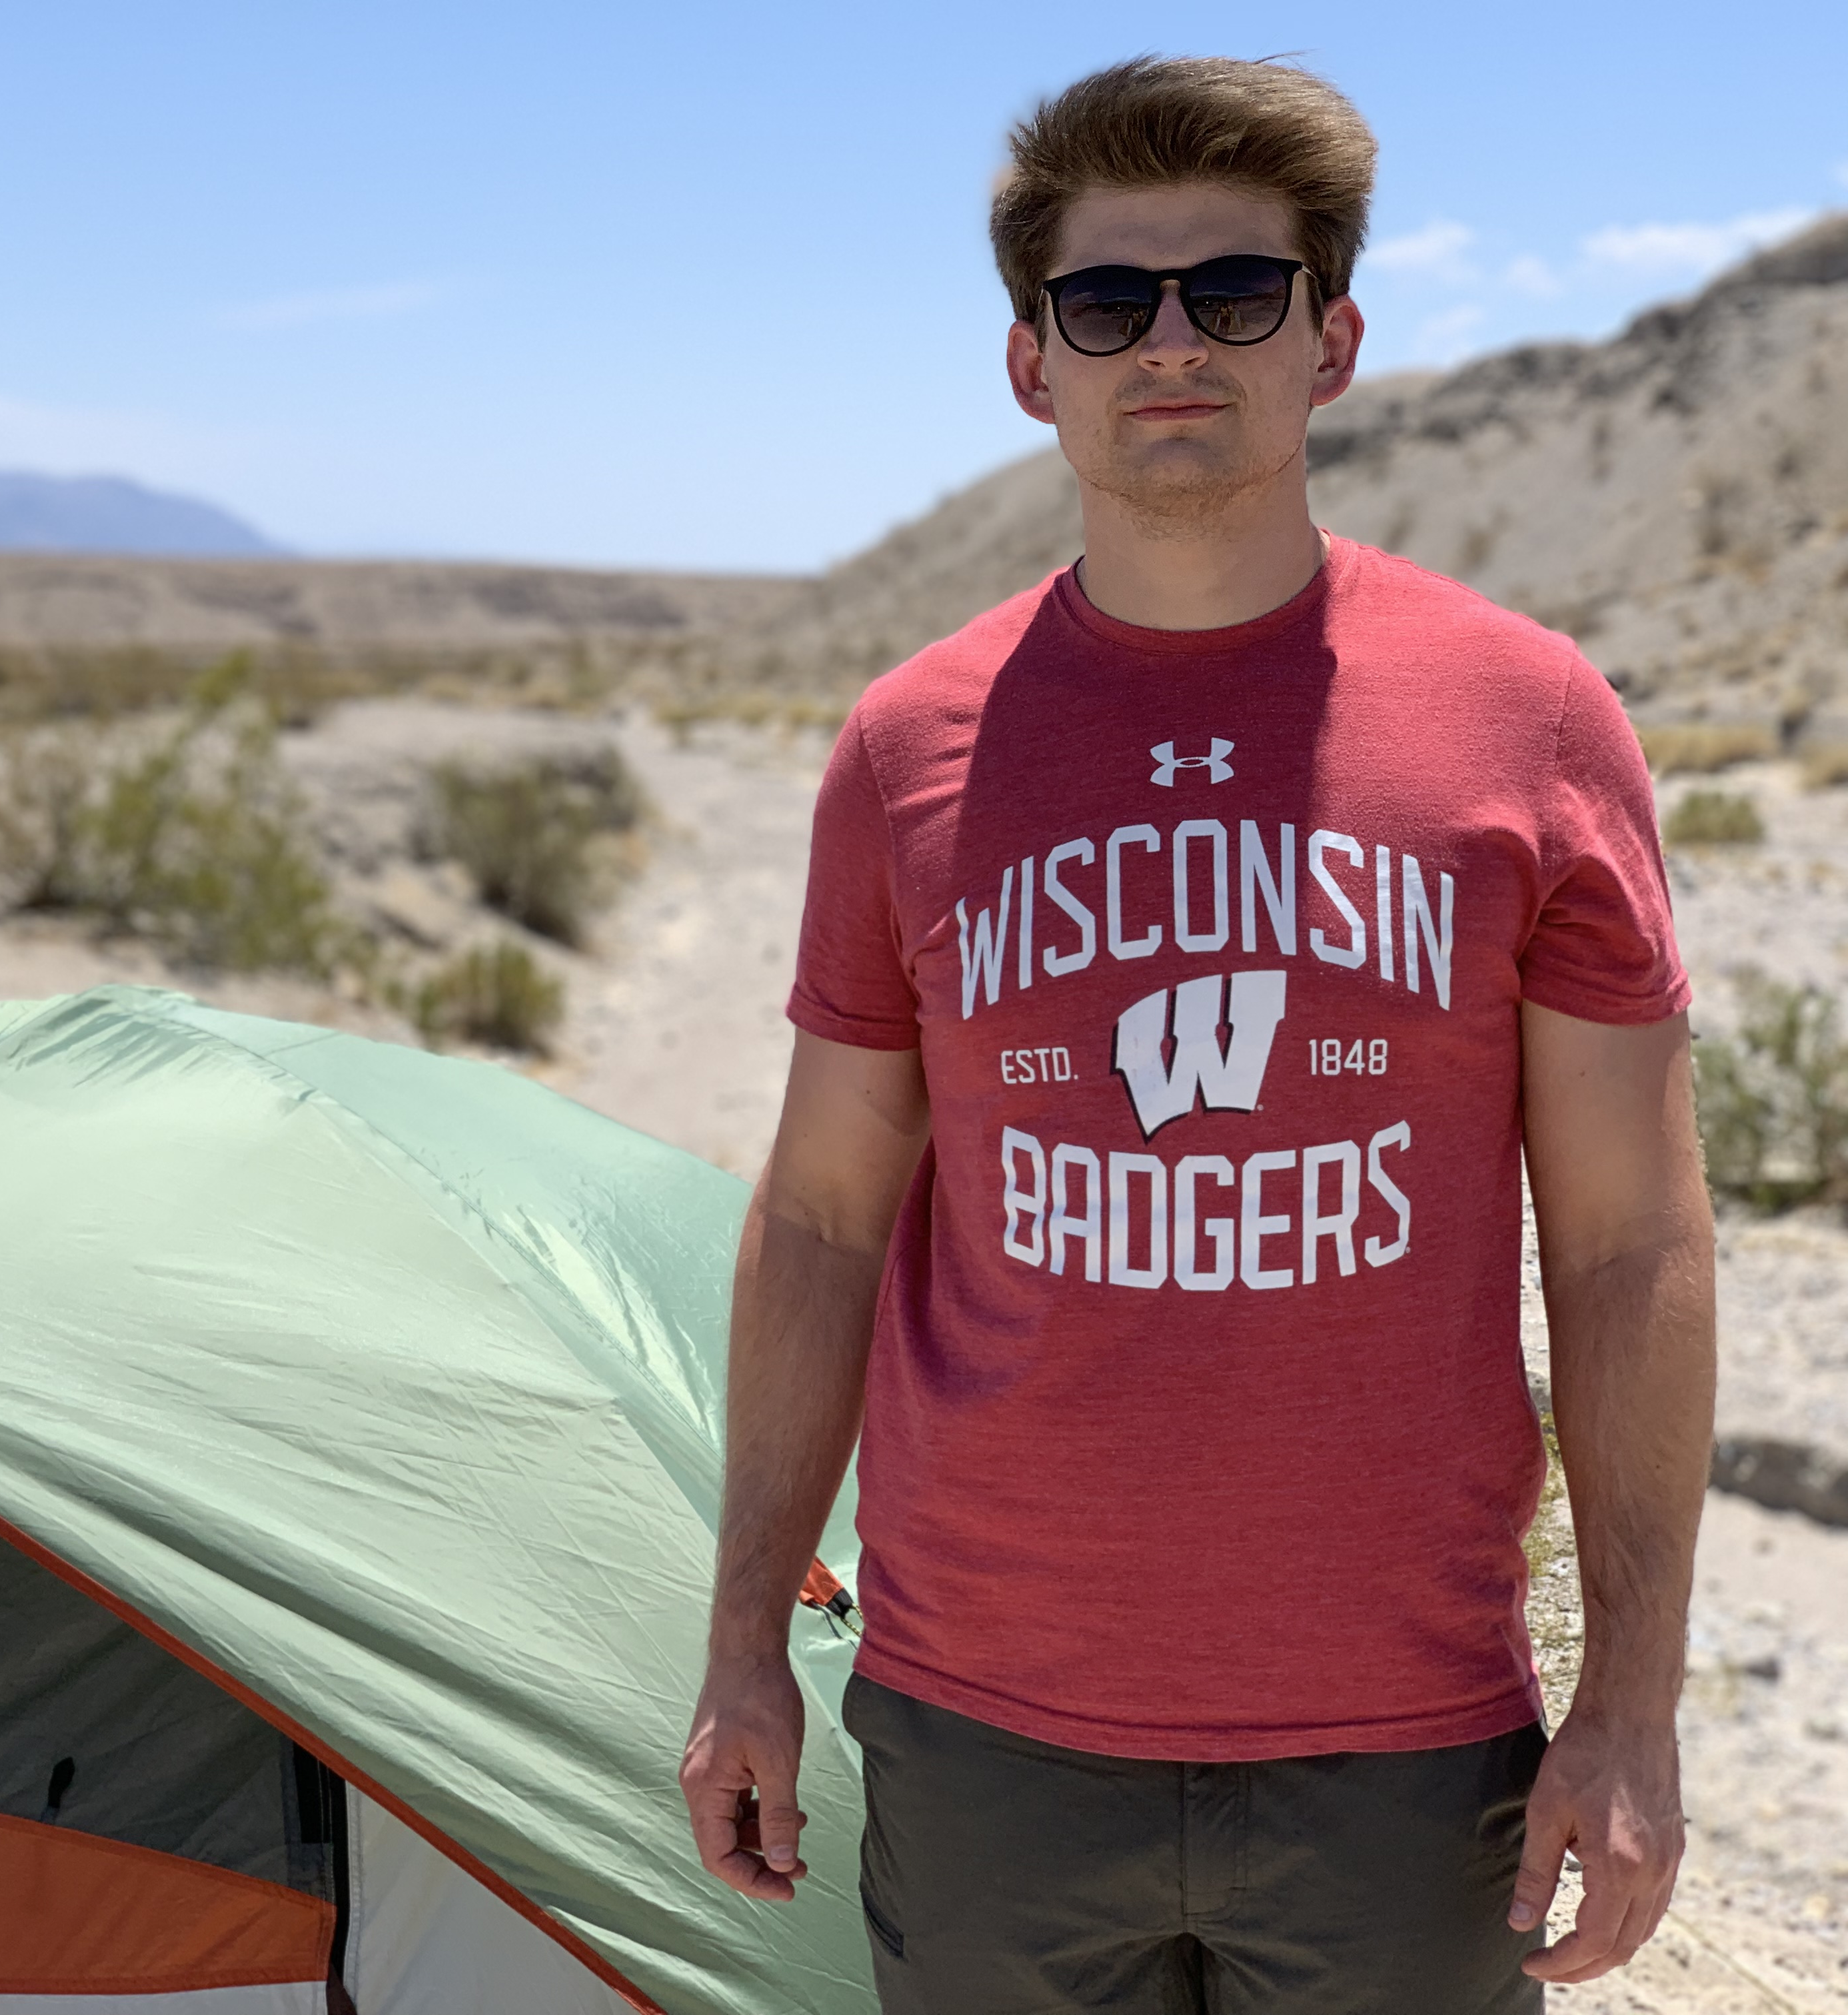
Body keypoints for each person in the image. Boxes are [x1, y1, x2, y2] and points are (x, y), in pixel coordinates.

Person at [678, 55, 1715, 2014]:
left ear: (1332, 345)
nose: (1171, 342)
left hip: (1405, 1739)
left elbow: (1629, 1239)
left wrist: (1634, 1706)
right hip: (985, 1723)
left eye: (1236, 293)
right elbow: (819, 1216)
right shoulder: (909, 745)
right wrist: (744, 1648)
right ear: (1032, 366)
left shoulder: (1529, 719)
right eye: (1107, 301)